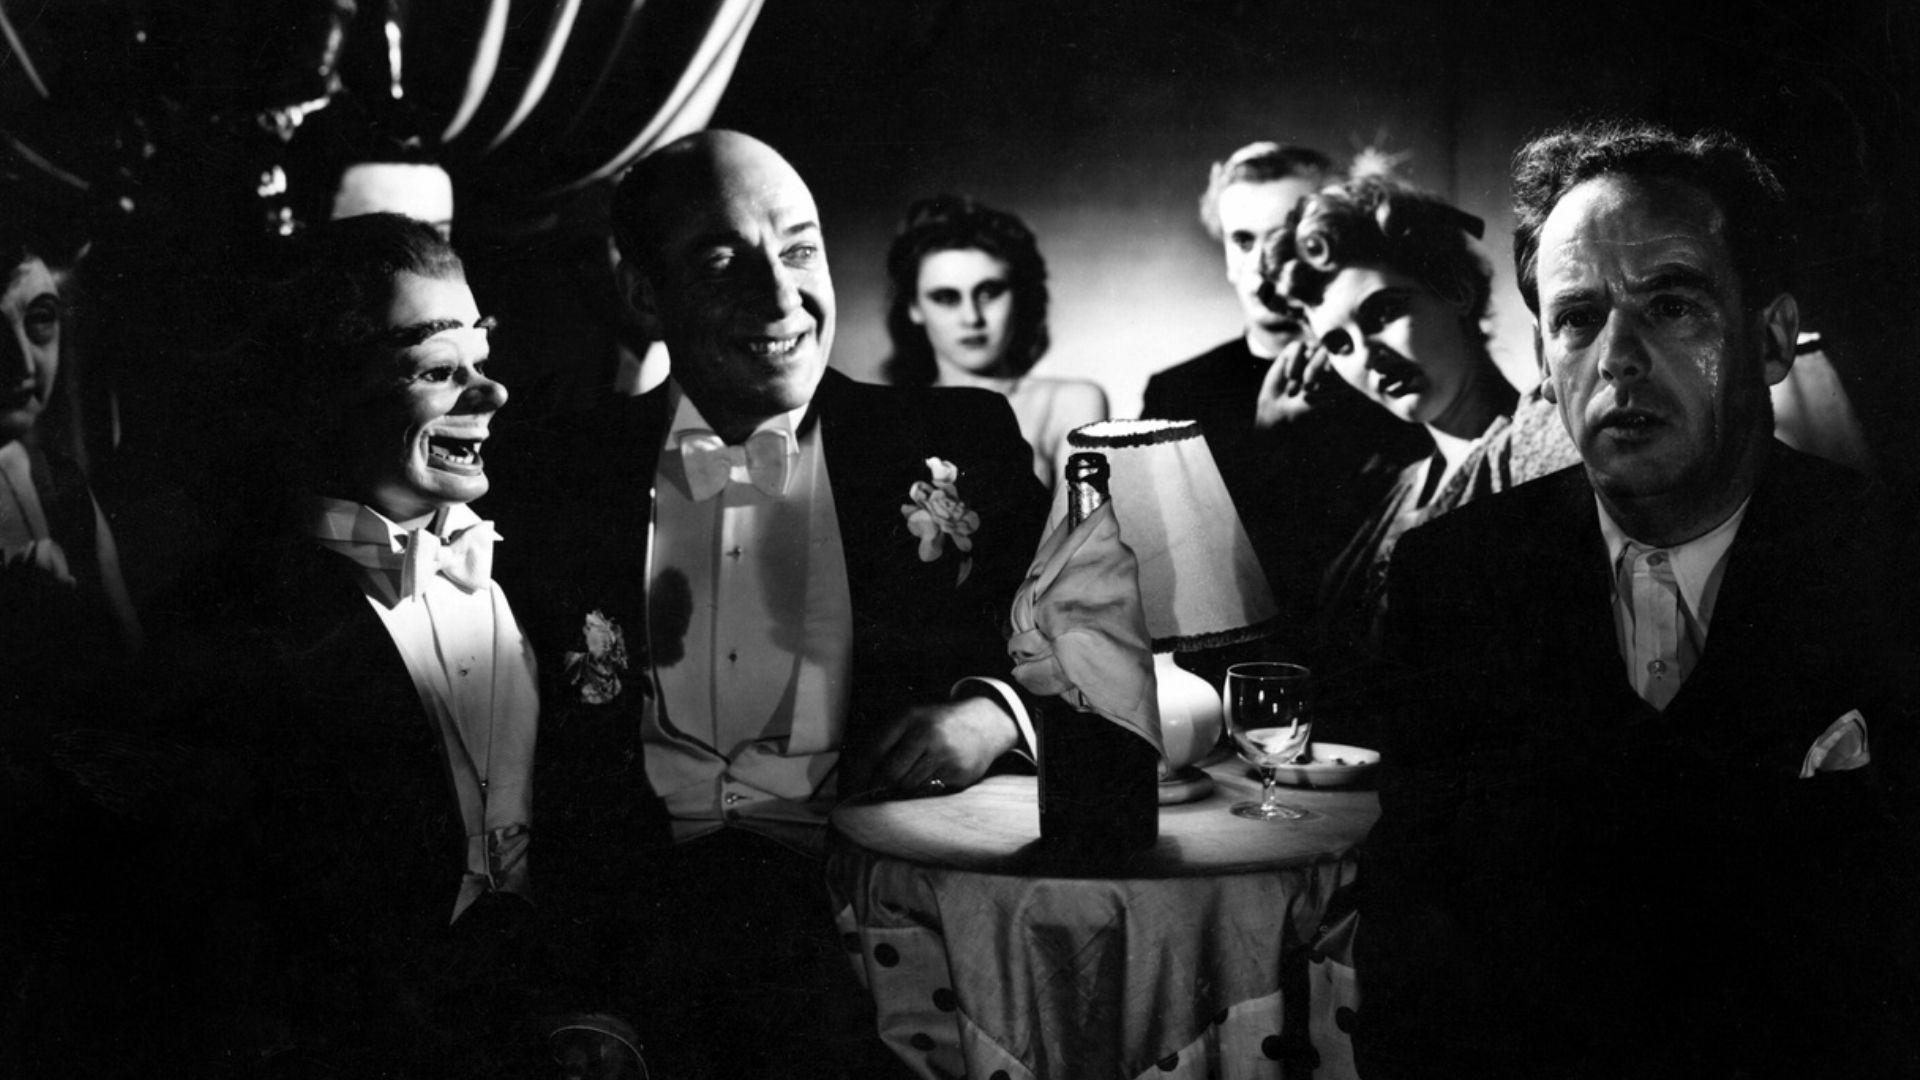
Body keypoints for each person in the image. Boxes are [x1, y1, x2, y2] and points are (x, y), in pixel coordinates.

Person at [1355, 119, 1919, 1078]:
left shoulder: (1893, 565)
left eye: (1672, 305)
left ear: (1772, 337)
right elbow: (1414, 956)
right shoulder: (1453, 578)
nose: (1617, 357)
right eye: (1578, 318)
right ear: (1545, 361)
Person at [493, 130, 1051, 1077]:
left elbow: (1118, 656)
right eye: (723, 263)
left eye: (799, 249)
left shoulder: (958, 438)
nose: (782, 296)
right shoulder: (553, 470)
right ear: (643, 295)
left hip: (877, 942)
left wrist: (994, 716)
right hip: (631, 961)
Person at [157, 213, 639, 1078]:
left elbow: (610, 821)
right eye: (439, 370)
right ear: (326, 391)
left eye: (483, 360)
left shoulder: (548, 574)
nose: (491, 395)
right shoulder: (227, 623)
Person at [1140, 142, 1427, 635]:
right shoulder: (1176, 393)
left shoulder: (1388, 371)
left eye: (1285, 237)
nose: (1262, 264)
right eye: (1242, 241)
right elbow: (1163, 572)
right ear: (1227, 257)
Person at [1261, 175, 1533, 681]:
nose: (1369, 358)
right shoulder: (1390, 495)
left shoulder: (1538, 452)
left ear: (1456, 288)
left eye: (1382, 313)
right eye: (1339, 344)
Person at [883, 195, 1106, 487]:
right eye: (946, 298)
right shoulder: (887, 420)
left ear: (1019, 296)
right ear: (914, 307)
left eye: (989, 292)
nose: (971, 317)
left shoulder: (1067, 402)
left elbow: (1083, 516)